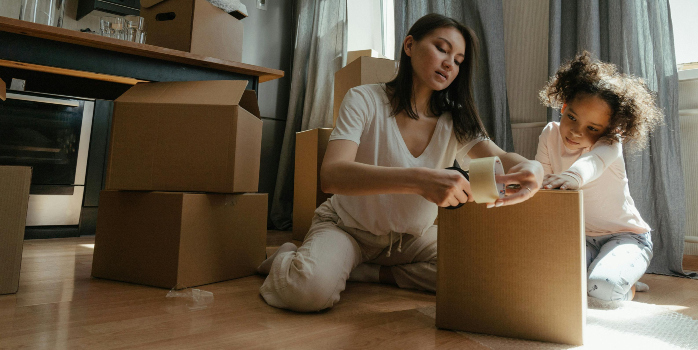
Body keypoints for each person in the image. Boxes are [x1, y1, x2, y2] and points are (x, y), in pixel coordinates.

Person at [256, 13, 544, 312]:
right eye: (442, 49)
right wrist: (420, 180)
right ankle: (286, 257)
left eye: (458, 60)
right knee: (307, 293)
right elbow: (332, 175)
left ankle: (369, 273)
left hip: (411, 240)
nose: (450, 64)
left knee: (488, 273)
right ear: (409, 45)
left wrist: (533, 167)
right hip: (348, 229)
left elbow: (501, 157)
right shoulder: (364, 99)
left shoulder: (456, 118)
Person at [536, 52, 664, 301]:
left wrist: (572, 177)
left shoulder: (610, 143)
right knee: (551, 281)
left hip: (626, 236)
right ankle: (607, 272)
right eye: (571, 117)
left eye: (591, 128)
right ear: (563, 107)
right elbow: (543, 179)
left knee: (601, 291)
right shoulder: (549, 134)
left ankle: (626, 284)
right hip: (579, 235)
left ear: (609, 129)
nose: (575, 131)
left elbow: (592, 163)